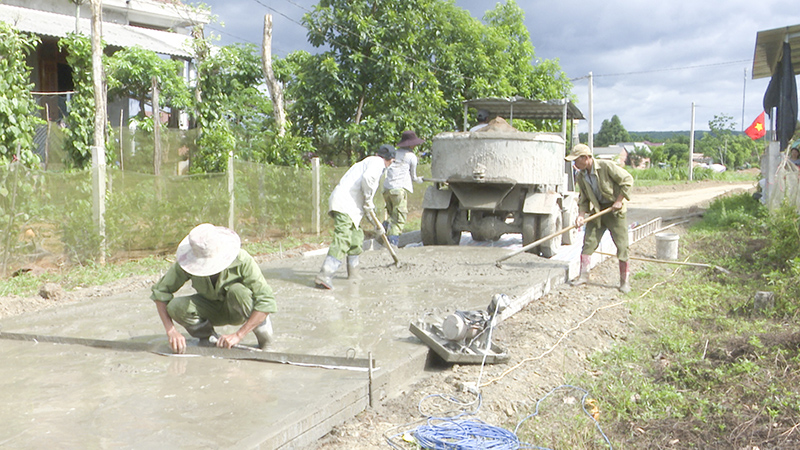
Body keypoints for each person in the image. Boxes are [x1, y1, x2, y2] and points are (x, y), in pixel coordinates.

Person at [151, 223, 277, 354]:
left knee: (238, 291)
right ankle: (207, 337)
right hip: (211, 309)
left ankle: (265, 341)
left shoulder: (242, 260)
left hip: (238, 308)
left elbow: (266, 301)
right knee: (176, 306)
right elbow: (160, 292)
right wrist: (171, 331)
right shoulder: (188, 261)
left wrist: (239, 335)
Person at [315, 144, 396, 289]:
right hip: (344, 204)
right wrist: (368, 198)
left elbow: (366, 208)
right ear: (390, 160)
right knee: (344, 237)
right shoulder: (377, 163)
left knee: (356, 237)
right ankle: (325, 275)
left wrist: (376, 226)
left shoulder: (367, 162)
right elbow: (368, 179)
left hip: (351, 207)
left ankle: (354, 273)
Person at [565, 144, 635, 293]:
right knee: (588, 242)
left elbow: (627, 180)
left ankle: (624, 282)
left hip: (614, 211)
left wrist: (619, 200)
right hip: (598, 210)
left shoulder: (605, 166)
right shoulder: (581, 176)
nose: (575, 164)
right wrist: (580, 216)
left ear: (586, 158)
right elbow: (583, 198)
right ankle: (583, 276)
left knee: (622, 246)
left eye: (576, 160)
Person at [383, 130, 425, 247]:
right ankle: (392, 244)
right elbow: (413, 177)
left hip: (386, 188)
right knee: (399, 219)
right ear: (411, 144)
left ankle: (382, 230)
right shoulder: (411, 157)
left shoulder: (395, 153)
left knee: (392, 216)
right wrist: (420, 180)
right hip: (398, 190)